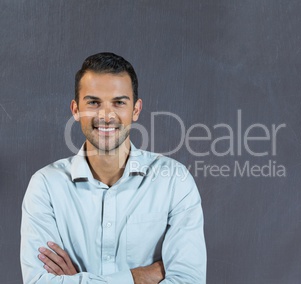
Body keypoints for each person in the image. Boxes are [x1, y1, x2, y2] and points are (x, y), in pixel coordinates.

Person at [20, 52, 207, 283]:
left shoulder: (174, 181)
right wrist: (137, 277)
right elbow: (38, 281)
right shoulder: (46, 186)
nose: (106, 116)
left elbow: (188, 281)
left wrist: (79, 280)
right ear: (75, 109)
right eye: (93, 102)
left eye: (119, 103)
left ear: (135, 110)